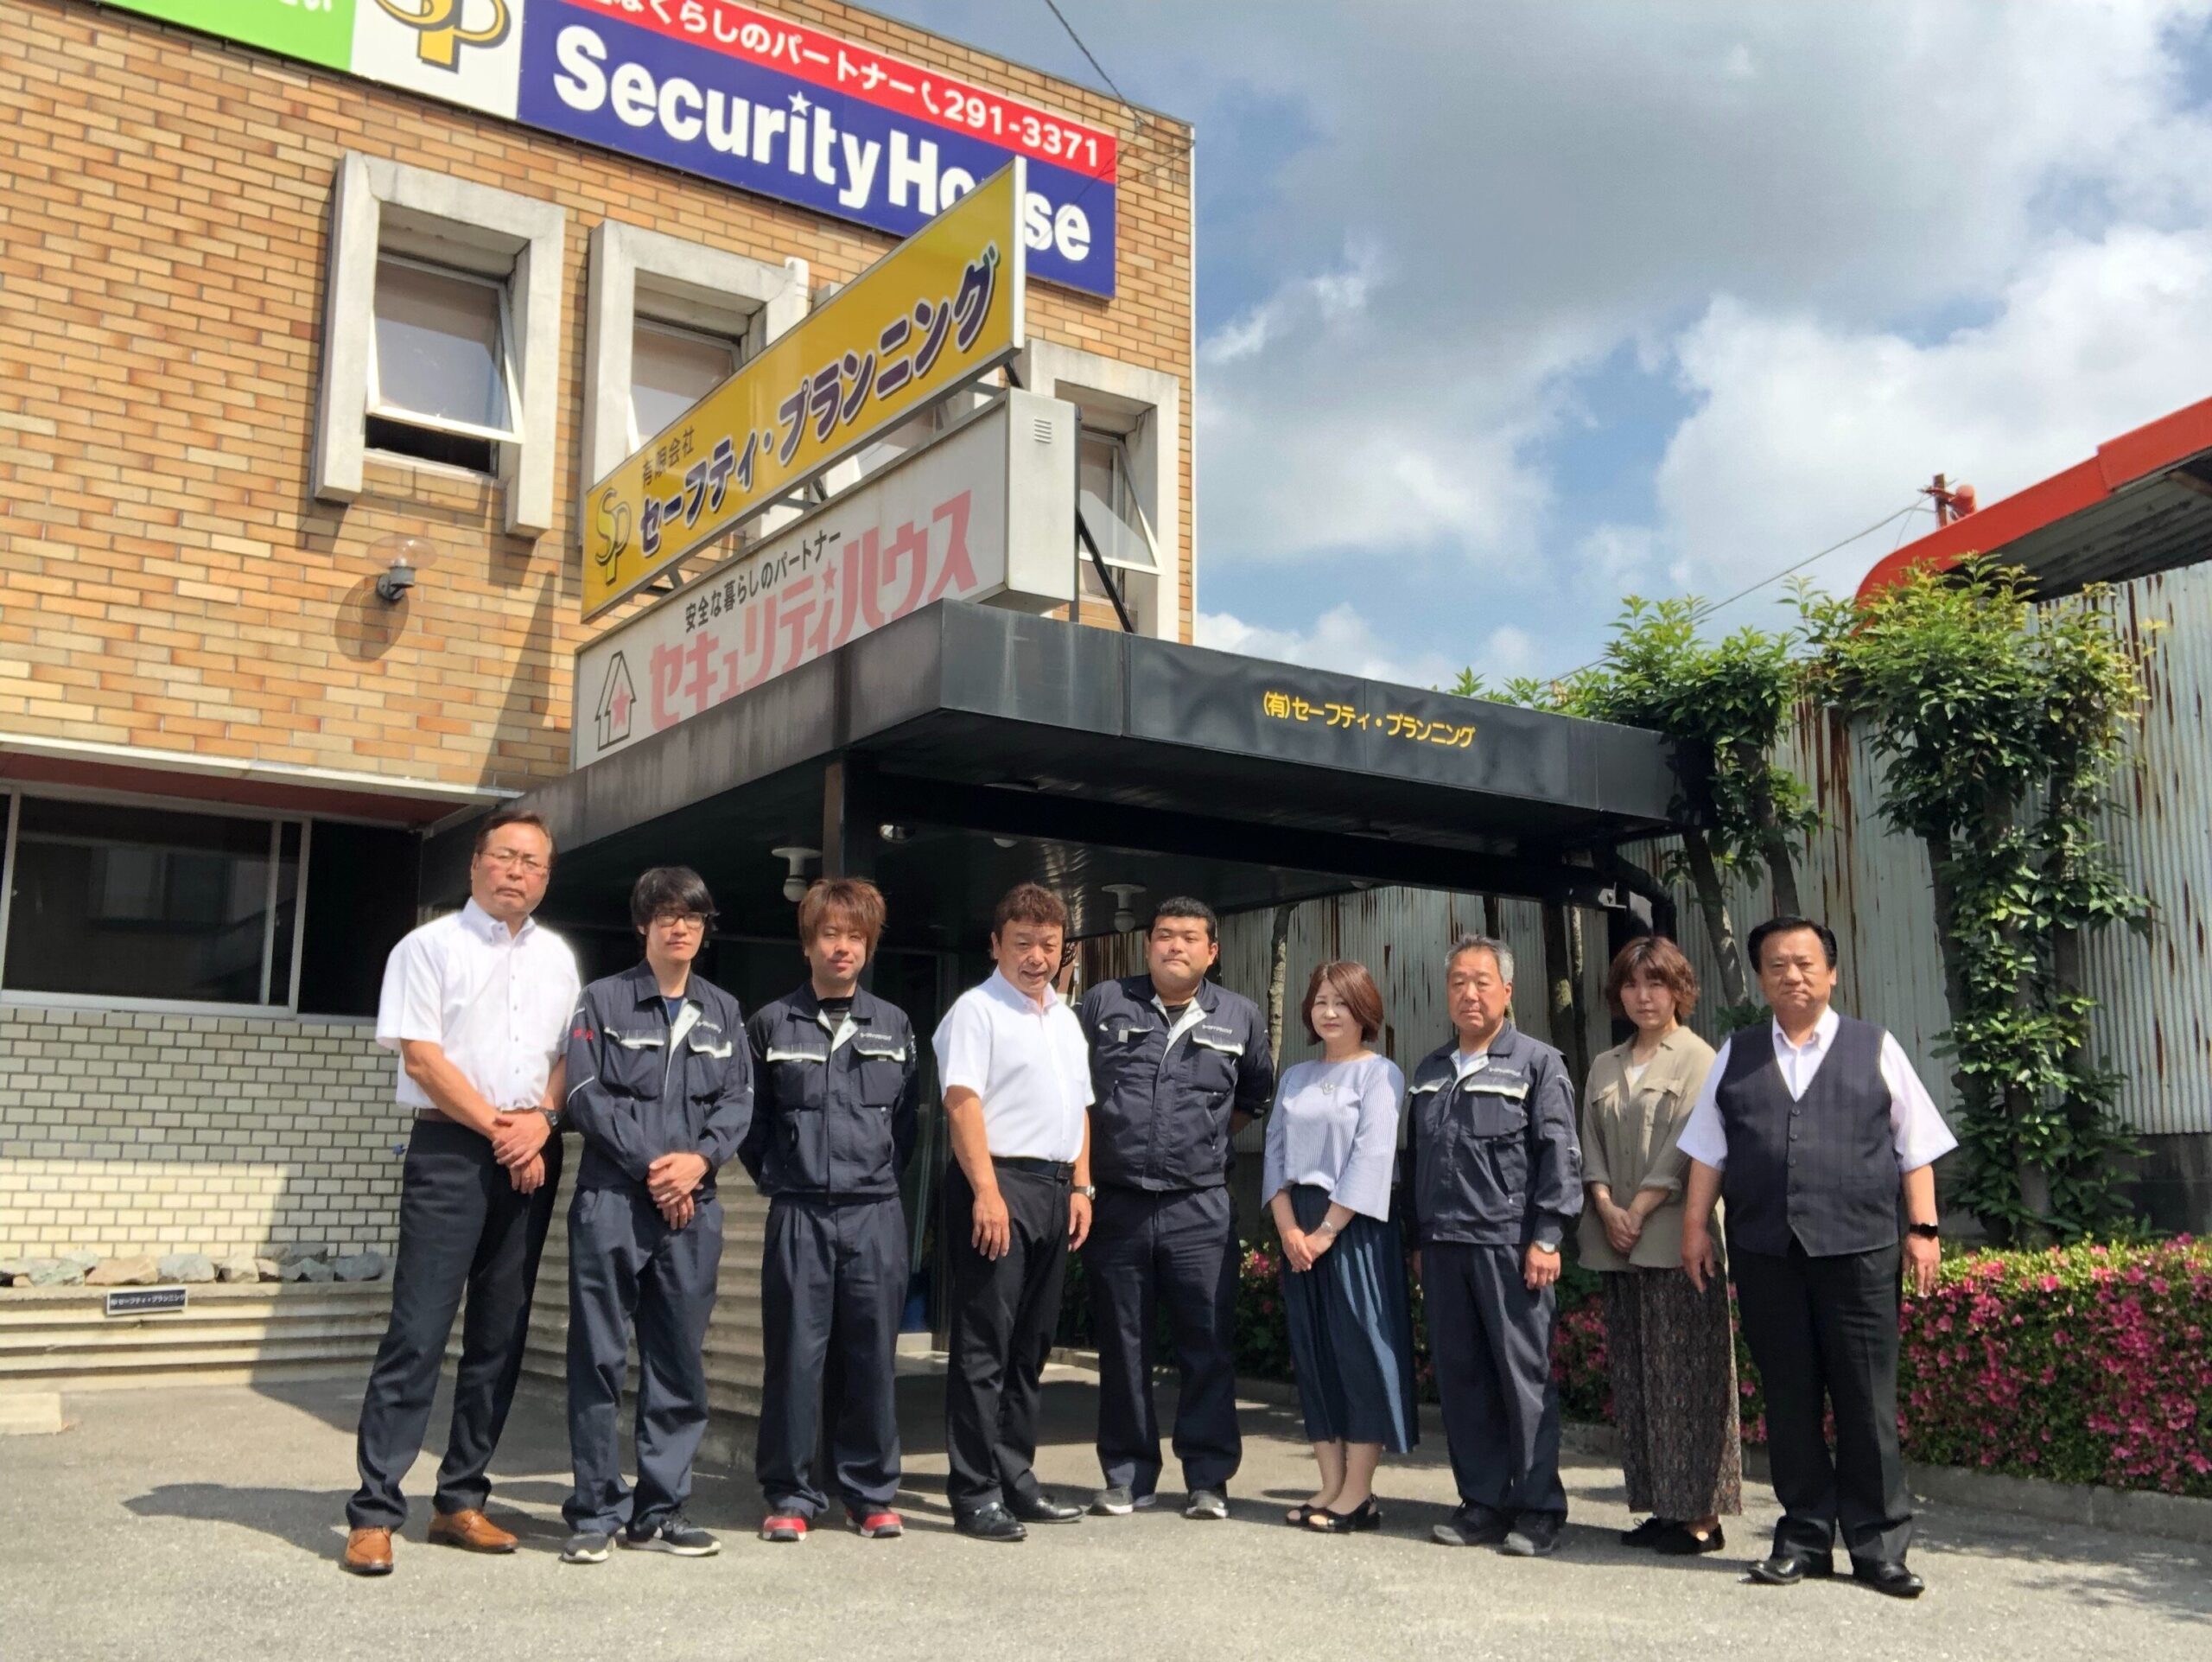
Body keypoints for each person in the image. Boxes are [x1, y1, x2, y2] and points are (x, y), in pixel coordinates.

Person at [1679, 915, 1953, 1601]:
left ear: (1831, 972)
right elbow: (1709, 1151)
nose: (1792, 975)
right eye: (1777, 965)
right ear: (1760, 978)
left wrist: (1923, 1228)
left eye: (1805, 963)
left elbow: (1915, 1145)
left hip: (1860, 1253)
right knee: (1790, 1400)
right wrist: (1695, 1229)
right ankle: (1803, 1537)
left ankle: (1879, 1546)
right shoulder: (1736, 1053)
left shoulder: (1874, 1046)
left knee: (1867, 1401)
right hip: (1767, 1252)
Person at [343, 811, 581, 1576]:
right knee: (418, 1329)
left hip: (531, 1151)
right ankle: (375, 1510)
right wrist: (501, 1128)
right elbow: (422, 1057)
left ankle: (461, 1498)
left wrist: (540, 1123)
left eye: (533, 862)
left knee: (500, 1333)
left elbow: (567, 1058)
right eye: (506, 855)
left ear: (546, 878)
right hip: (451, 1149)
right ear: (476, 863)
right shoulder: (427, 947)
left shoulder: (558, 958)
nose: (518, 871)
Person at [558, 867, 752, 1565]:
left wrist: (697, 1163)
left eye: (693, 916)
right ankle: (594, 1511)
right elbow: (584, 1092)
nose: (680, 926)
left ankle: (662, 1510)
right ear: (643, 924)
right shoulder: (602, 1000)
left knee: (677, 1360)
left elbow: (739, 1100)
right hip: (613, 1200)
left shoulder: (724, 1010)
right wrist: (655, 1166)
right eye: (667, 914)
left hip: (693, 1208)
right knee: (598, 1356)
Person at [1078, 897, 1275, 1521]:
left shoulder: (1240, 1016)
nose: (1175, 946)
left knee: (1207, 1345)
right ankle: (1127, 1475)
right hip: (1119, 1204)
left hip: (1199, 1206)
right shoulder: (1105, 1003)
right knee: (1123, 1345)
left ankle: (1208, 1478)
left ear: (1211, 951)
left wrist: (1204, 1142)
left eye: (1190, 937)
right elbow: (1074, 1091)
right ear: (1148, 946)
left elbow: (1254, 1095)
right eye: (1164, 935)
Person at [740, 877, 920, 1544]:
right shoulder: (770, 1024)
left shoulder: (895, 1025)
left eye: (855, 936)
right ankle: (789, 1492)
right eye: (830, 934)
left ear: (868, 946)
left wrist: (871, 1177)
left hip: (875, 1213)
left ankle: (869, 1492)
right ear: (808, 943)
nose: (842, 947)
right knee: (794, 1356)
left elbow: (906, 1125)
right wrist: (790, 1175)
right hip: (800, 1212)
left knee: (872, 1355)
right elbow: (752, 1125)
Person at [932, 882, 1096, 1543]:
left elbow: (1080, 1107)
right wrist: (985, 1190)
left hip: (1055, 1189)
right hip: (997, 1182)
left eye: (1049, 945)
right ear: (996, 943)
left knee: (1031, 1345)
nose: (1037, 957)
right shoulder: (976, 1010)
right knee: (984, 1346)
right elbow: (961, 1102)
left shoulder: (1065, 1019)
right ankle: (974, 1491)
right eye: (1023, 942)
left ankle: (1015, 1478)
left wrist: (1082, 1186)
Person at [1409, 934, 1583, 1558]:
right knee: (1462, 1379)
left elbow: (1559, 1153)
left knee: (1523, 1380)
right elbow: (1413, 1161)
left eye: (1482, 981)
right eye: (1458, 981)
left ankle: (1538, 1509)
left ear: (1507, 991)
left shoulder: (1537, 1063)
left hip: (1509, 1246)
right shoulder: (1430, 1070)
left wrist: (1548, 1236)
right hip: (1444, 1245)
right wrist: (1416, 1239)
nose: (1469, 993)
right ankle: (1482, 1502)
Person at [1579, 936, 1741, 1556]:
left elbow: (1688, 1144)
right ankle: (1661, 1505)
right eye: (1631, 983)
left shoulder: (1700, 1058)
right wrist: (1604, 1205)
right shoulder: (1605, 1063)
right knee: (1638, 1376)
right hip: (1616, 1240)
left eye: (1656, 983)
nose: (1643, 996)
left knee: (1690, 1377)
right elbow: (1589, 1141)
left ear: (1679, 990)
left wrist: (1639, 1209)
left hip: (1676, 1238)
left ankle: (1701, 1515)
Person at [1262, 960, 1417, 1534]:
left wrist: (1325, 1232)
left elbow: (1373, 1156)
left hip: (1355, 1227)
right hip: (1298, 1227)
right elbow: (1274, 1151)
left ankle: (1358, 1492)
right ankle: (1329, 1483)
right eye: (1321, 1001)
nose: (1330, 1012)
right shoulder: (1295, 1076)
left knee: (1359, 1353)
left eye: (1343, 1002)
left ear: (1365, 1011)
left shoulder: (1380, 1074)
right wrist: (1288, 1228)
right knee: (1314, 1351)